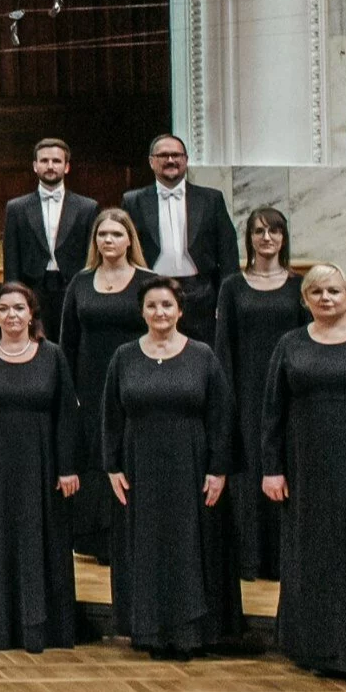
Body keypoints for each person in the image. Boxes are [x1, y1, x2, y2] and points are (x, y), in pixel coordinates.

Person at [101, 276, 241, 658]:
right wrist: (112, 466)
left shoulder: (202, 355)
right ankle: (148, 630)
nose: (159, 312)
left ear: (180, 310)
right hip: (138, 467)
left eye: (166, 305)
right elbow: (111, 417)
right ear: (142, 312)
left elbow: (221, 417)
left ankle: (192, 632)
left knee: (190, 547)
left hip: (191, 467)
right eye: (151, 306)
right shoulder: (124, 356)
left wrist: (218, 469)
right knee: (145, 546)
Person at [0, 283, 82, 652]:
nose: (12, 316)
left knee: (43, 542)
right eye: (4, 309)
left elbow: (66, 416)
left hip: (42, 466)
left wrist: (67, 467)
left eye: (19, 309)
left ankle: (43, 628)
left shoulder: (52, 355)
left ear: (32, 314)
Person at [262, 264, 346, 678]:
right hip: (307, 470)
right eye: (316, 291)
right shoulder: (289, 344)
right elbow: (272, 412)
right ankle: (318, 648)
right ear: (305, 300)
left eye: (334, 291)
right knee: (315, 555)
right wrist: (272, 469)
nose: (326, 298)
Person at [59, 207, 155, 561]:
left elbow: (161, 331)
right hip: (90, 384)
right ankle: (98, 540)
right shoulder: (81, 282)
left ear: (129, 238)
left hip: (137, 383)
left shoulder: (148, 280)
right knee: (98, 457)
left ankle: (137, 533)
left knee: (131, 454)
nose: (108, 240)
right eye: (102, 235)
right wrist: (71, 392)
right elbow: (67, 341)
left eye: (116, 234)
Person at [214, 207, 301, 581]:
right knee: (249, 474)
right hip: (246, 390)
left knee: (284, 467)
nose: (267, 238)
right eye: (259, 231)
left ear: (284, 238)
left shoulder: (299, 287)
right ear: (248, 238)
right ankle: (250, 558)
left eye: (275, 231)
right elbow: (224, 346)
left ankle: (282, 559)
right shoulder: (232, 286)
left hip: (289, 390)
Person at [121, 134, 240, 342]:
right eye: (163, 155)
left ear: (185, 160)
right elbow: (125, 253)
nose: (170, 160)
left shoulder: (211, 199)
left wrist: (226, 301)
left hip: (201, 296)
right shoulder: (133, 201)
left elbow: (228, 252)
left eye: (176, 155)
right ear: (151, 161)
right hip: (152, 292)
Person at [1, 138, 98, 344]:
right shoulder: (16, 207)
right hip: (32, 288)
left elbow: (92, 254)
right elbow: (11, 255)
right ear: (35, 166)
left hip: (72, 286)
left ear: (67, 166)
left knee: (72, 343)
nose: (51, 166)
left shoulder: (87, 207)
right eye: (44, 161)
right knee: (36, 345)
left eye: (56, 161)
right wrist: (12, 295)